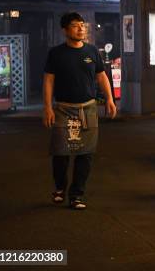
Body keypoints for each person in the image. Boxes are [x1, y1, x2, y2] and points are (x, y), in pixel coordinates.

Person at [43, 12, 117, 210]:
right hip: (63, 109)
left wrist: (110, 99)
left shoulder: (92, 51)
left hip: (88, 108)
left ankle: (77, 195)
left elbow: (102, 77)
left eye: (82, 25)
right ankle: (60, 188)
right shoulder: (56, 53)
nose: (81, 29)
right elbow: (49, 80)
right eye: (75, 26)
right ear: (65, 30)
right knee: (60, 152)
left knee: (86, 153)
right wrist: (48, 107)